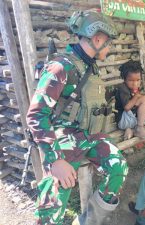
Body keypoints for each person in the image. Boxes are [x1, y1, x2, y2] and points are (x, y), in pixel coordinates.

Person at [26, 10, 128, 225]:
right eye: (108, 43)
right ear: (97, 38)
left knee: (118, 166)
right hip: (61, 141)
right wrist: (55, 161)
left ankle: (88, 221)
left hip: (88, 136)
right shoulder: (61, 67)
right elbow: (36, 115)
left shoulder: (90, 66)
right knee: (57, 192)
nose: (108, 49)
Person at [115, 60, 145, 140]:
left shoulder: (134, 89)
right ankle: (139, 128)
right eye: (131, 80)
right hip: (124, 119)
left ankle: (133, 131)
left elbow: (135, 104)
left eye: (138, 80)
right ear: (124, 78)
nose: (135, 84)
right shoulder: (122, 88)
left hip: (133, 117)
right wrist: (136, 96)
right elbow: (127, 107)